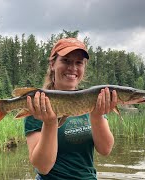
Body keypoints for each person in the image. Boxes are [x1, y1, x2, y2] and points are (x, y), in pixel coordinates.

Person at [24, 37, 117, 179]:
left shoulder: (93, 99)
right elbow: (43, 167)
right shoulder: (38, 103)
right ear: (52, 64)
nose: (72, 67)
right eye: (66, 60)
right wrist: (50, 123)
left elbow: (105, 149)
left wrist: (97, 116)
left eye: (79, 62)